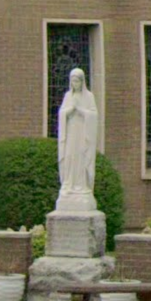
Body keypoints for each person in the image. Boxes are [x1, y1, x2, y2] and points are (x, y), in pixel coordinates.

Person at [57, 68, 98, 211]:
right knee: (70, 157)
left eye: (77, 81)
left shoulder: (89, 97)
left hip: (82, 134)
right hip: (70, 134)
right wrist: (70, 110)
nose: (75, 84)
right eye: (72, 81)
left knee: (81, 158)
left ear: (82, 82)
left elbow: (93, 115)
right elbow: (62, 113)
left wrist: (80, 110)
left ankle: (81, 186)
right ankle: (69, 184)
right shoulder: (68, 96)